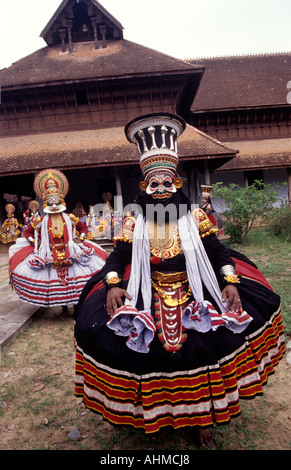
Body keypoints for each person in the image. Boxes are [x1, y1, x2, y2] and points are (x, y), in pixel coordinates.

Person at [74, 113, 285, 448]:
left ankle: (201, 417)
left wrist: (230, 281)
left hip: (194, 289)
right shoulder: (133, 220)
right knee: (136, 350)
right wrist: (113, 284)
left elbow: (217, 252)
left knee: (202, 352)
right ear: (144, 187)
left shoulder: (195, 216)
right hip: (148, 290)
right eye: (153, 184)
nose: (160, 190)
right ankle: (155, 413)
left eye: (166, 183)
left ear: (177, 184)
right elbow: (117, 258)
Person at [9, 169, 107, 308]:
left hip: (70, 251)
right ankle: (63, 308)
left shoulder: (70, 218)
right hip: (49, 253)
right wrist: (34, 242)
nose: (54, 206)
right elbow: (28, 232)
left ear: (61, 201)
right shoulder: (41, 220)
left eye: (56, 202)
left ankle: (76, 306)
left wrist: (82, 237)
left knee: (73, 279)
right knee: (56, 281)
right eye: (51, 203)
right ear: (46, 204)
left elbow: (83, 228)